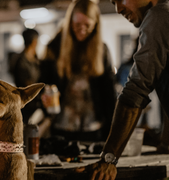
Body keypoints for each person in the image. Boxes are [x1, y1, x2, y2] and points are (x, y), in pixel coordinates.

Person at [80, 0, 169, 179]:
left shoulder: (158, 16)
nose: (118, 8)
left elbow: (135, 90)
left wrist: (108, 159)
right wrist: (163, 141)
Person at [38, 0, 116, 141]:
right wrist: (43, 97)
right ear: (70, 22)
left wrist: (112, 130)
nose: (82, 30)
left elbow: (109, 94)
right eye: (77, 25)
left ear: (96, 25)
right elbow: (42, 84)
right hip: (61, 126)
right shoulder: (55, 48)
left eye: (88, 25)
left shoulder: (102, 51)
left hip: (93, 126)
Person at [12, 28, 41, 124]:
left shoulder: (35, 58)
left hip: (36, 101)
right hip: (26, 102)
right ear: (34, 41)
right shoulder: (21, 61)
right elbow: (26, 83)